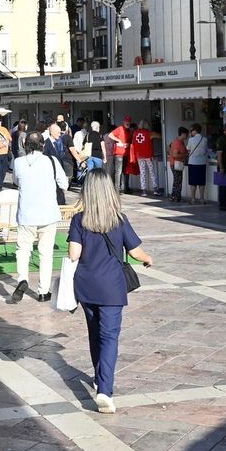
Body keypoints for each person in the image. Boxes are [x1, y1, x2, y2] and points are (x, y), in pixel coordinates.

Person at [67, 174, 155, 414]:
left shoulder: (78, 220)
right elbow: (136, 251)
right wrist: (148, 259)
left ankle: (99, 377)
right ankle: (104, 389)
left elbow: (74, 254)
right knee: (110, 337)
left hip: (86, 285)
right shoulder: (119, 220)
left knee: (95, 334)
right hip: (112, 288)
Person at [9, 133, 70, 304]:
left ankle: (22, 278)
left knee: (23, 249)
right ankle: (43, 291)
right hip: (48, 214)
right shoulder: (51, 161)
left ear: (26, 145)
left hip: (26, 214)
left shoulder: (19, 162)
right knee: (46, 254)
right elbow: (64, 184)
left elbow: (16, 182)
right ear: (42, 145)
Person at [44, 121, 74, 205]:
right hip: (51, 172)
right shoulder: (46, 143)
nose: (59, 134)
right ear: (52, 132)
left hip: (58, 171)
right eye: (58, 133)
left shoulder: (58, 142)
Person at [130, 120, 158, 197]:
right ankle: (155, 189)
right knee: (152, 171)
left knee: (142, 172)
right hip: (148, 155)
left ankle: (144, 191)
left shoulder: (135, 133)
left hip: (139, 155)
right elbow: (159, 136)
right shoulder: (149, 133)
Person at [185, 124, 209, 204]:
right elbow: (206, 151)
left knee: (193, 182)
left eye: (191, 130)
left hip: (193, 162)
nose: (190, 132)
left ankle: (193, 199)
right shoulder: (205, 139)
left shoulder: (191, 140)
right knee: (201, 182)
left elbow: (188, 149)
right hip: (202, 162)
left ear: (195, 130)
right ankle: (202, 199)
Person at [108, 117, 132, 193]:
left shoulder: (129, 131)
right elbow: (110, 135)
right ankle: (117, 189)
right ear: (123, 121)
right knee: (118, 171)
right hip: (119, 153)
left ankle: (126, 188)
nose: (127, 123)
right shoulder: (119, 129)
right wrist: (118, 140)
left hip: (126, 153)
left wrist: (128, 144)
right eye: (126, 121)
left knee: (126, 171)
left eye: (128, 121)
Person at [167, 127, 188, 203]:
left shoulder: (180, 142)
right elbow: (175, 155)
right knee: (177, 181)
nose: (187, 136)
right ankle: (175, 197)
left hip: (178, 164)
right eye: (186, 134)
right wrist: (185, 155)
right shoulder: (177, 143)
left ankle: (175, 196)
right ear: (182, 134)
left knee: (178, 181)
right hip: (176, 164)